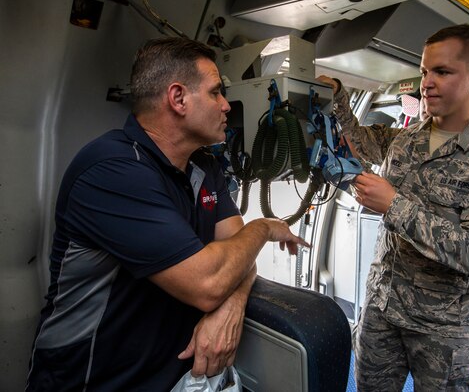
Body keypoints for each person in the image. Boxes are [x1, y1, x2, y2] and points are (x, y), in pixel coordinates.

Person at [26, 37, 308, 391]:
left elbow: (237, 257)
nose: (226, 106)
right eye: (216, 92)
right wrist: (264, 227)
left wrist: (231, 306)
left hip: (170, 377)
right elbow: (211, 282)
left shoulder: (205, 166)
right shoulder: (111, 170)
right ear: (178, 99)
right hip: (91, 381)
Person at [318, 24, 469, 391]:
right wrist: (337, 97)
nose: (426, 83)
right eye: (424, 72)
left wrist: (393, 205)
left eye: (442, 72)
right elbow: (361, 143)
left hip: (446, 329)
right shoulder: (405, 139)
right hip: (382, 309)